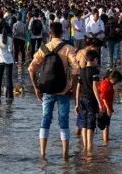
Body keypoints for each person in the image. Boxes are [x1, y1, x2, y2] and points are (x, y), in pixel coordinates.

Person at [28, 21, 79, 160]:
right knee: (64, 121)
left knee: (45, 120)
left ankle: (43, 154)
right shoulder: (68, 48)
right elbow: (76, 70)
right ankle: (65, 154)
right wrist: (73, 89)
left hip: (47, 90)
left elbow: (31, 69)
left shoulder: (44, 48)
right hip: (63, 90)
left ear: (50, 34)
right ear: (62, 32)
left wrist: (36, 88)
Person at [75, 49, 103, 151]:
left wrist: (77, 103)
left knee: (83, 123)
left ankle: (85, 147)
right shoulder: (95, 71)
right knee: (91, 123)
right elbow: (95, 88)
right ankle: (90, 148)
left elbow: (78, 88)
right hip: (91, 99)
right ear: (95, 59)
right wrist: (99, 103)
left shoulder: (81, 71)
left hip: (82, 98)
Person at [97, 67, 121, 146]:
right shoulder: (106, 84)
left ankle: (105, 140)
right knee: (106, 125)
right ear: (111, 78)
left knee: (105, 124)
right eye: (115, 81)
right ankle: (105, 142)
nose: (115, 83)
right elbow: (104, 97)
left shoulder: (104, 82)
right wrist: (108, 109)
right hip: (104, 107)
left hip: (104, 107)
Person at [0, 22, 14, 103]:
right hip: (9, 60)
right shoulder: (9, 39)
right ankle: (9, 97)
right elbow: (10, 50)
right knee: (9, 79)